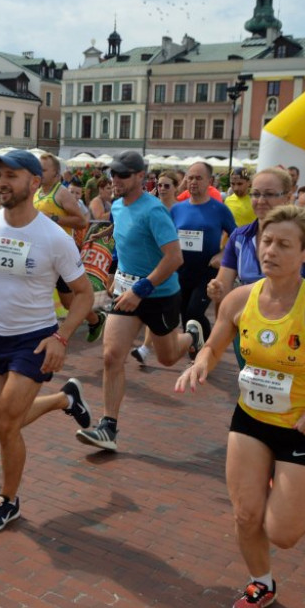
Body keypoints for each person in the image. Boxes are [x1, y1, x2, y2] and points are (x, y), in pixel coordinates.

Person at [176, 204, 305, 608]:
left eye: (284, 244)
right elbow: (213, 345)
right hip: (249, 419)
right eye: (266, 241)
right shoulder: (239, 299)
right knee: (246, 513)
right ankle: (260, 582)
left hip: (301, 427)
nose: (271, 251)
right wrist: (201, 363)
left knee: (283, 533)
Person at [0, 150, 94, 534]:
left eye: (11, 175)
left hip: (35, 339)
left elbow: (83, 294)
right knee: (2, 422)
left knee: (7, 424)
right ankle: (65, 399)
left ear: (34, 183)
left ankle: (7, 500)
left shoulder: (54, 238)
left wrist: (61, 337)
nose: (1, 182)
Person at [76, 150, 200, 451]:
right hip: (125, 292)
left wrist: (141, 289)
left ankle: (192, 336)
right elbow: (124, 239)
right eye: (112, 174)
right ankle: (108, 428)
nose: (115, 179)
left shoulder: (154, 211)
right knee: (111, 355)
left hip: (159, 294)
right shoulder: (117, 206)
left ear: (141, 177)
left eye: (122, 174)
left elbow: (175, 258)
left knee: (168, 356)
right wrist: (113, 267)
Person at [209, 168, 305, 311]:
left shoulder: (301, 237)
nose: (261, 201)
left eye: (269, 194)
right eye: (256, 194)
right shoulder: (239, 238)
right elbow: (222, 289)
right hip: (247, 325)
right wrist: (216, 291)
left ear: (288, 198)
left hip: (291, 327)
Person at [36, 153, 107, 343]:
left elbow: (82, 221)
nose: (39, 173)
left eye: (43, 169)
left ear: (56, 173)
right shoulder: (36, 191)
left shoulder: (61, 193)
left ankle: (95, 319)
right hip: (42, 254)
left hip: (61, 254)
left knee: (69, 303)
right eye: (38, 169)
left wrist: (54, 219)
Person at [168, 161, 237, 346]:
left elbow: (236, 236)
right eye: (190, 178)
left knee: (194, 312)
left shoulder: (219, 209)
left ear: (210, 181)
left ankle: (206, 349)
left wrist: (223, 254)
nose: (193, 182)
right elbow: (166, 236)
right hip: (181, 271)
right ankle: (196, 351)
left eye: (198, 178)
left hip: (207, 272)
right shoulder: (177, 209)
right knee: (185, 315)